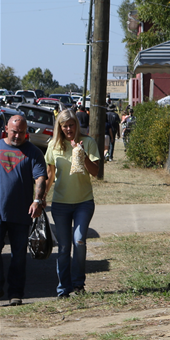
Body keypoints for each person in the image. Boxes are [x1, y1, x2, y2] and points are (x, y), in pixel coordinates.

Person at [45, 109, 99, 298]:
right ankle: (63, 288)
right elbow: (50, 175)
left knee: (79, 241)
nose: (69, 128)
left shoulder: (89, 142)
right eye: (65, 125)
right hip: (60, 204)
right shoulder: (53, 145)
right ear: (60, 127)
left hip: (83, 202)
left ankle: (78, 284)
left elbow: (95, 172)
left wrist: (82, 154)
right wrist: (41, 197)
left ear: (76, 125)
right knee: (63, 248)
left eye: (72, 124)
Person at [0, 115, 48, 306]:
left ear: (26, 131)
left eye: (21, 132)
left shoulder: (33, 152)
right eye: (14, 131)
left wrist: (37, 200)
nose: (17, 136)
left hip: (21, 214)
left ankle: (15, 292)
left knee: (18, 256)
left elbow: (41, 179)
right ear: (6, 128)